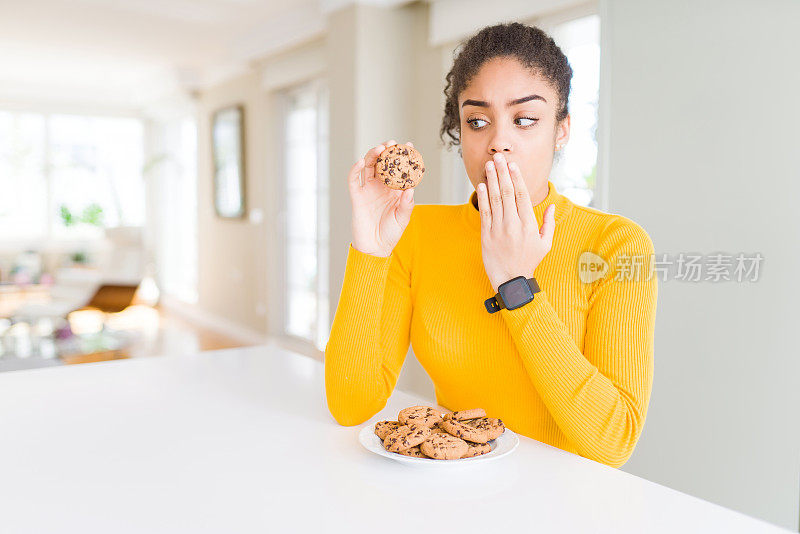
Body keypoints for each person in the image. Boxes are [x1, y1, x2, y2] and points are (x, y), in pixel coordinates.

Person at [324, 22, 657, 468]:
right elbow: (351, 405)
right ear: (460, 133)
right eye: (477, 121)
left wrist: (516, 286)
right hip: (454, 497)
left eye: (524, 120)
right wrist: (369, 250)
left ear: (561, 130)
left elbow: (614, 441)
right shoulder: (415, 232)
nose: (498, 142)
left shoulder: (616, 245)